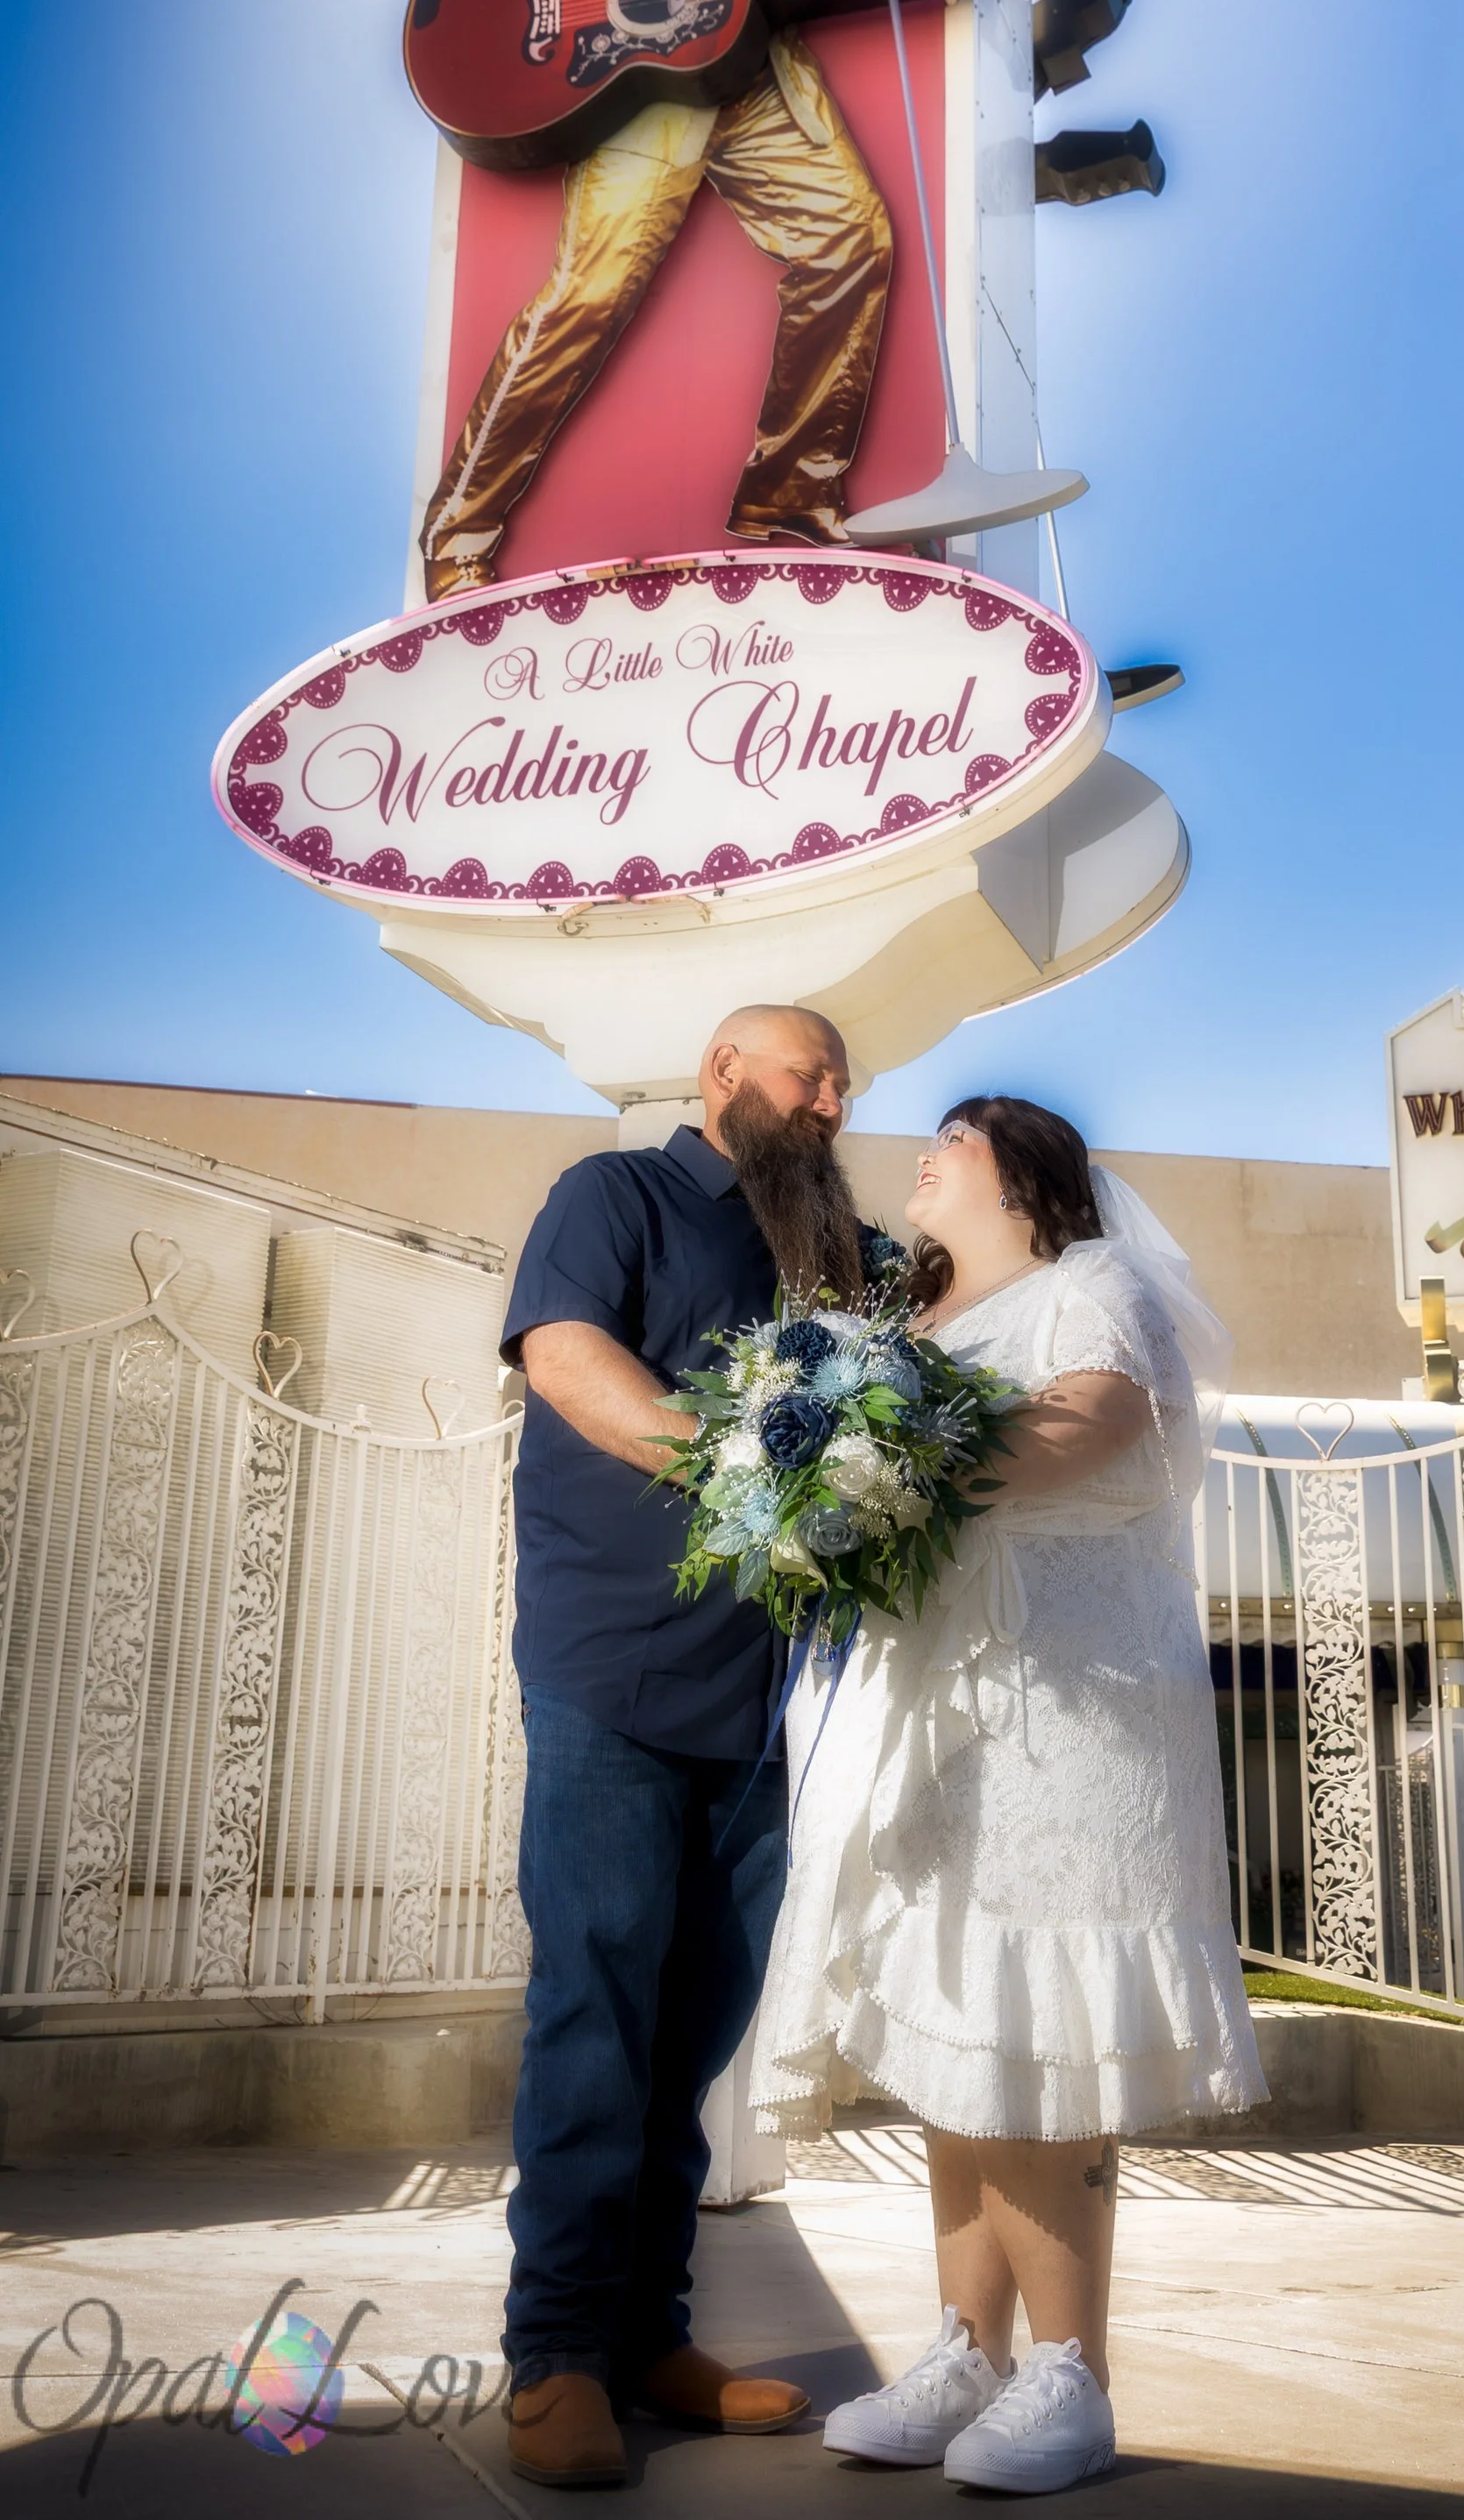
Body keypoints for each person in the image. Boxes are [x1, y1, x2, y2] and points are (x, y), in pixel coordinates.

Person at [750, 1095, 1267, 2495]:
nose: (925, 1154)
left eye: (957, 1137)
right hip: (932, 1712)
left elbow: (1090, 1425)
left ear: (1027, 1173)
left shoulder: (1092, 1286)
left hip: (1068, 1709)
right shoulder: (904, 1332)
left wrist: (872, 1468)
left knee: (1037, 2023)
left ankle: (1071, 2375)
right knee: (964, 2020)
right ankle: (965, 2350)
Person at [421, 0, 1048, 596]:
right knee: (590, 298)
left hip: (746, 55)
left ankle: (788, 503)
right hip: (631, 75)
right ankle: (459, 537)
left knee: (850, 239)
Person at [499, 1001, 882, 2493]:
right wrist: (734, 1465)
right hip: (614, 1668)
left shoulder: (828, 1255)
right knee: (596, 2010)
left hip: (771, 1695)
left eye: (846, 1082)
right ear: (727, 1074)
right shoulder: (619, 1197)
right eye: (813, 1075)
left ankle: (649, 2335)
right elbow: (564, 1352)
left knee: (699, 2026)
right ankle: (556, 2356)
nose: (835, 1102)